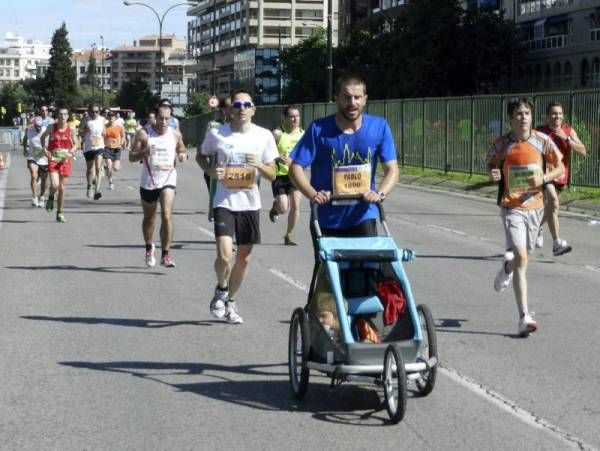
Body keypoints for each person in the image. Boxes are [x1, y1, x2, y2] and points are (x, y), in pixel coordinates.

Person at [289, 73, 399, 250]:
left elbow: (392, 169)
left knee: (368, 271)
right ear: (336, 99)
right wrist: (312, 194)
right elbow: (295, 168)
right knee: (329, 273)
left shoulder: (379, 127)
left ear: (365, 99)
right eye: (347, 97)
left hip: (363, 215)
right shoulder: (319, 129)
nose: (352, 103)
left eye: (357, 97)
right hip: (326, 217)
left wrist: (380, 194)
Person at [486, 98, 565, 337]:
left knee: (522, 258)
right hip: (511, 207)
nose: (523, 117)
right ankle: (524, 316)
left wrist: (542, 178)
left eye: (527, 113)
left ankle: (506, 269)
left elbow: (560, 168)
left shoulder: (543, 141)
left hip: (535, 207)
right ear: (511, 119)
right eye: (518, 114)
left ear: (532, 117)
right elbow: (489, 165)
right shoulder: (502, 143)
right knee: (521, 256)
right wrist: (493, 173)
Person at [197, 90, 278, 324]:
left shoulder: (263, 137)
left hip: (250, 204)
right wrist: (211, 171)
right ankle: (221, 288)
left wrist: (259, 165)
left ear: (253, 109)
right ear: (230, 109)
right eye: (237, 104)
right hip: (224, 201)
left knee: (244, 258)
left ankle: (231, 301)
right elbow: (201, 156)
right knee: (224, 256)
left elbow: (273, 174)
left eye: (247, 104)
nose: (241, 108)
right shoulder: (217, 134)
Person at [129, 104, 187, 268]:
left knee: (167, 215)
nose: (163, 122)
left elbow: (181, 149)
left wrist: (182, 155)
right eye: (161, 118)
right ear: (155, 116)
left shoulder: (175, 134)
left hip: (168, 178)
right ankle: (149, 247)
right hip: (149, 181)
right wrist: (144, 153)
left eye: (167, 119)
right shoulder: (144, 134)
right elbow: (131, 157)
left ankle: (166, 254)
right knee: (150, 218)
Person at [535, 102, 587, 256]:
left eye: (560, 113)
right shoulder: (540, 131)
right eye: (554, 113)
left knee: (551, 208)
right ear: (547, 116)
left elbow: (583, 151)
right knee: (554, 202)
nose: (557, 116)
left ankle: (536, 227)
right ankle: (557, 243)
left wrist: (567, 140)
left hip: (560, 175)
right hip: (545, 175)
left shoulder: (568, 131)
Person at [269, 105, 304, 245]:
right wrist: (277, 158)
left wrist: (296, 162)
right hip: (280, 176)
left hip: (296, 174)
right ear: (284, 118)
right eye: (292, 116)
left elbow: (308, 155)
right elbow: (265, 152)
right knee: (284, 207)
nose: (295, 119)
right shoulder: (277, 133)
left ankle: (289, 235)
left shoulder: (303, 134)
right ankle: (275, 208)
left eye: (297, 116)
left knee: (296, 205)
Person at [196, 96, 232, 222]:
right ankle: (214, 210)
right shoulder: (213, 126)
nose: (234, 109)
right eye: (230, 107)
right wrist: (209, 169)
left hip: (235, 171)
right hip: (215, 170)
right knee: (217, 195)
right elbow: (201, 150)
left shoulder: (244, 128)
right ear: (223, 110)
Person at [40, 107, 78, 223]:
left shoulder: (70, 129)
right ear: (57, 115)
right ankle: (51, 197)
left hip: (65, 160)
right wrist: (44, 149)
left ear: (67, 116)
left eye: (65, 114)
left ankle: (59, 213)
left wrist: (72, 151)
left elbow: (77, 143)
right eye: (60, 114)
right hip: (53, 159)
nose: (62, 116)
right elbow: (42, 137)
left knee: (61, 188)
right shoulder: (52, 127)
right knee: (55, 184)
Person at [22, 116, 48, 208]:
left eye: (40, 126)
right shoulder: (29, 130)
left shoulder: (46, 131)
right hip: (32, 157)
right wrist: (25, 149)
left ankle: (42, 197)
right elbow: (25, 139)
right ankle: (34, 198)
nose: (39, 127)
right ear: (34, 125)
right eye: (37, 126)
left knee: (44, 180)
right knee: (34, 175)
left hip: (44, 158)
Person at [80, 104, 105, 199]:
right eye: (92, 112)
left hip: (99, 146)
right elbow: (80, 132)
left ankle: (97, 191)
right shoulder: (85, 119)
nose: (94, 113)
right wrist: (85, 130)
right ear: (89, 111)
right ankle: (89, 186)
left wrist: (104, 133)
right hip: (89, 147)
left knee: (98, 167)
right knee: (90, 170)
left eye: (97, 112)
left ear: (99, 112)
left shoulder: (102, 119)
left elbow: (104, 131)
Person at [102, 111, 125, 190]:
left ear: (115, 117)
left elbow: (123, 136)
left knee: (116, 168)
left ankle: (108, 168)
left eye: (113, 116)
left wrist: (121, 144)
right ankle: (111, 183)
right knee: (109, 166)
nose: (111, 118)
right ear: (107, 118)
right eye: (109, 116)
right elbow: (101, 136)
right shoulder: (104, 127)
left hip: (116, 149)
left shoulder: (119, 127)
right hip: (107, 148)